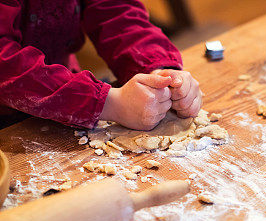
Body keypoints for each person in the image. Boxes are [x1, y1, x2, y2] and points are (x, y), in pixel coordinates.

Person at [0, 0, 202, 130]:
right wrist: (104, 102)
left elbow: (116, 10)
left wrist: (157, 70)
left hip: (65, 86)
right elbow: (5, 65)